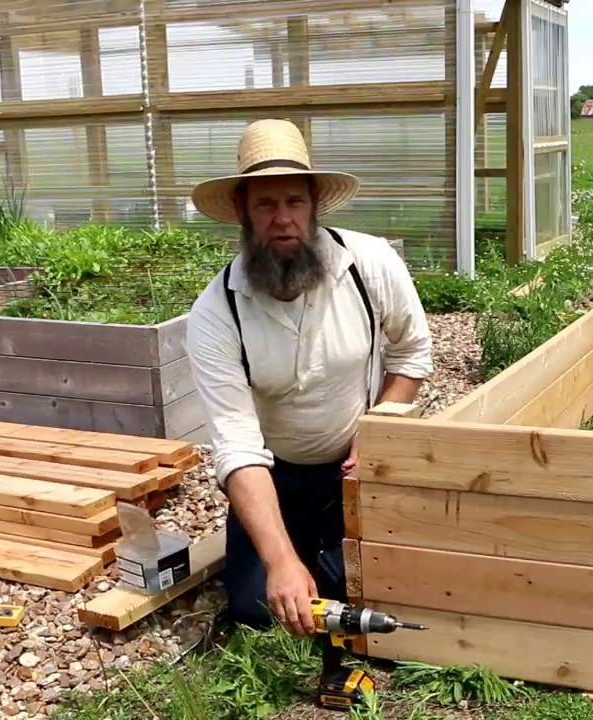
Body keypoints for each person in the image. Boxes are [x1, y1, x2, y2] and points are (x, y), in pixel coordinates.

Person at [183, 118, 433, 696]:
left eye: (294, 200)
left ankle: (326, 559)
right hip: (277, 476)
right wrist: (280, 561)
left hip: (358, 465)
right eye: (265, 203)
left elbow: (413, 353)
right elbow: (238, 446)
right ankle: (299, 554)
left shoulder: (369, 265)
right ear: (243, 211)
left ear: (315, 204)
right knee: (256, 604)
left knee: (378, 588)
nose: (282, 217)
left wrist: (378, 433)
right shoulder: (217, 313)